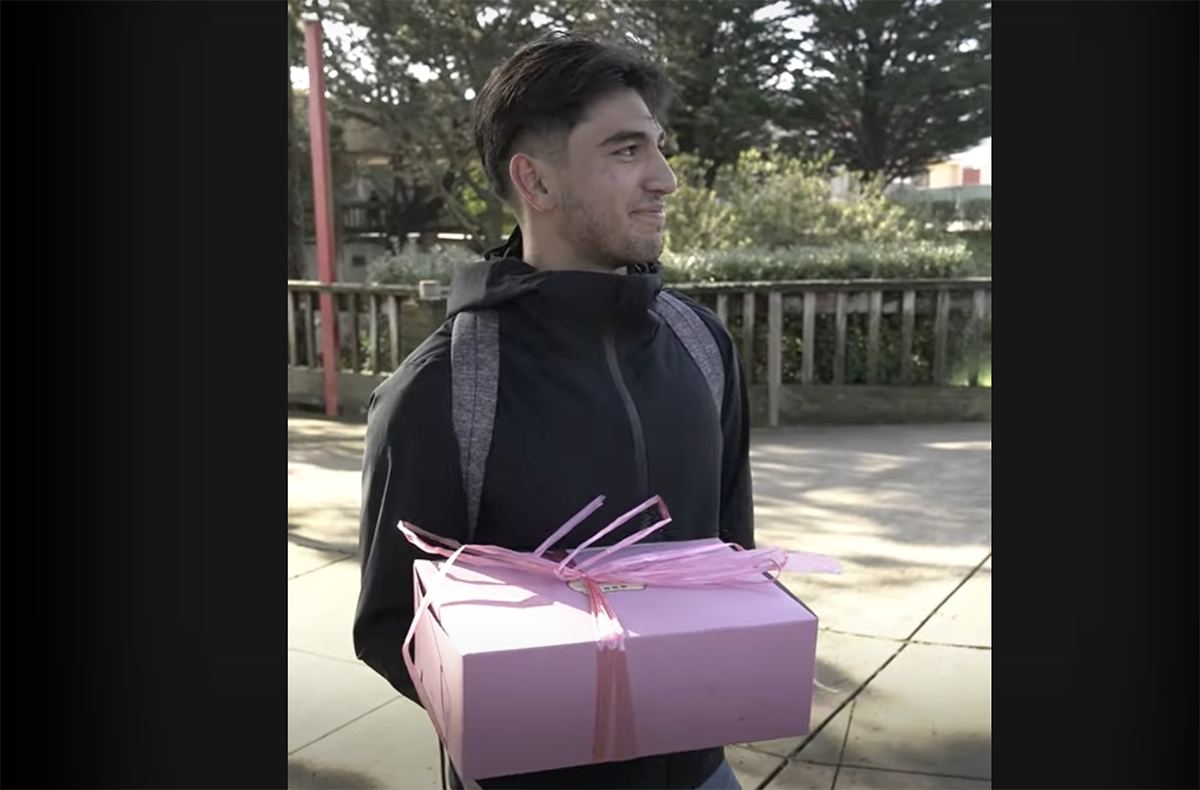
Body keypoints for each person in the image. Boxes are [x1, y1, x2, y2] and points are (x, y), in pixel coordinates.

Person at [353, 31, 754, 790]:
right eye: (626, 151)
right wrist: (562, 716)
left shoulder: (703, 346)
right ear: (534, 181)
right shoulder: (440, 389)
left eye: (659, 148)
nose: (665, 179)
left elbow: (734, 558)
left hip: (705, 773)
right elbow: (393, 629)